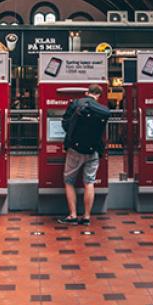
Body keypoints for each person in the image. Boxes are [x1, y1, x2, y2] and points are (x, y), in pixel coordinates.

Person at [57, 84, 110, 226]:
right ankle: (86, 217)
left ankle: (73, 215)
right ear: (99, 95)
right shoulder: (103, 110)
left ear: (87, 93)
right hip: (93, 150)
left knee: (69, 181)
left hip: (75, 149)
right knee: (89, 182)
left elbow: (65, 125)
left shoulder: (77, 103)